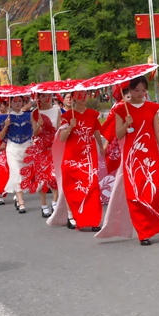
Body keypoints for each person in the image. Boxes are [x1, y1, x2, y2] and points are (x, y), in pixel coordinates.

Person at [110, 76, 159, 245]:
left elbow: (158, 133)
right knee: (135, 196)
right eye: (136, 90)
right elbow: (118, 135)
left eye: (143, 90)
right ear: (129, 90)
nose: (139, 94)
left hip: (150, 157)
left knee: (153, 194)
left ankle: (151, 224)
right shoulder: (121, 110)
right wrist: (126, 123)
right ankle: (143, 232)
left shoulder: (152, 108)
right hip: (132, 159)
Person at [58, 91, 106, 231]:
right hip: (72, 156)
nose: (83, 97)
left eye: (85, 94)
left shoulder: (92, 114)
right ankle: (71, 215)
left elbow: (97, 131)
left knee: (92, 185)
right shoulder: (66, 116)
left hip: (88, 155)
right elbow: (62, 138)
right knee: (72, 186)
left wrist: (101, 146)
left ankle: (93, 219)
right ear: (73, 98)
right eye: (79, 95)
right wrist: (71, 126)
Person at [20, 93, 61, 217]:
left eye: (48, 95)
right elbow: (35, 132)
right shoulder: (34, 113)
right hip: (40, 147)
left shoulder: (57, 110)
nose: (46, 98)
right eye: (43, 96)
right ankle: (43, 205)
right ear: (38, 98)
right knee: (42, 178)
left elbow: (59, 129)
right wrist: (39, 124)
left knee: (54, 175)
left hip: (53, 146)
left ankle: (55, 201)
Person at [0, 95, 33, 214]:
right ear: (10, 103)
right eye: (15, 101)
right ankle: (21, 201)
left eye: (20, 101)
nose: (18, 103)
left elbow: (34, 130)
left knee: (23, 174)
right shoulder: (6, 118)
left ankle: (18, 197)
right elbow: (0, 137)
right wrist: (6, 125)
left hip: (26, 147)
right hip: (12, 148)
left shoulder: (29, 116)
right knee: (16, 172)